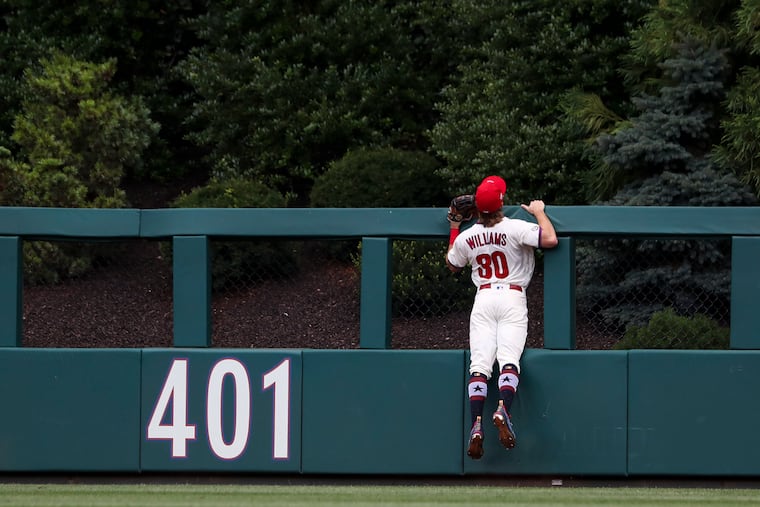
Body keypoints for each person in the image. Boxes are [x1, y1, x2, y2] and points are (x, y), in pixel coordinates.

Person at [445, 175, 558, 460]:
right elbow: (550, 239)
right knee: (509, 360)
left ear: (476, 208)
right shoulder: (515, 226)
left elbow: (452, 264)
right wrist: (539, 211)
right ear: (502, 203)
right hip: (511, 296)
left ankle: (476, 425)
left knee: (480, 365)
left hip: (483, 298)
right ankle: (503, 409)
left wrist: (455, 228)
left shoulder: (469, 235)